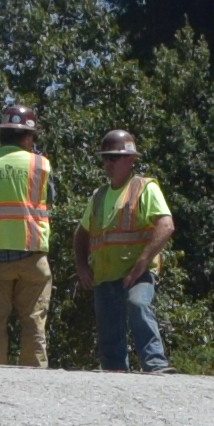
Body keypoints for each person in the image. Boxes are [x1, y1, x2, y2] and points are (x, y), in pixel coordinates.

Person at [0, 100, 58, 367]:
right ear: (28, 136)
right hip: (32, 254)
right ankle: (34, 377)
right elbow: (50, 198)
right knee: (33, 321)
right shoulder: (40, 165)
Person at [82, 126, 174, 372]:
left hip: (138, 272)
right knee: (108, 329)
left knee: (138, 304)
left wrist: (141, 264)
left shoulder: (144, 188)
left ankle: (155, 364)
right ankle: (115, 374)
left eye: (115, 157)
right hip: (105, 274)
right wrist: (81, 266)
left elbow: (166, 226)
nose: (108, 163)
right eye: (105, 158)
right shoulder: (99, 196)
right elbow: (81, 233)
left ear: (131, 159)